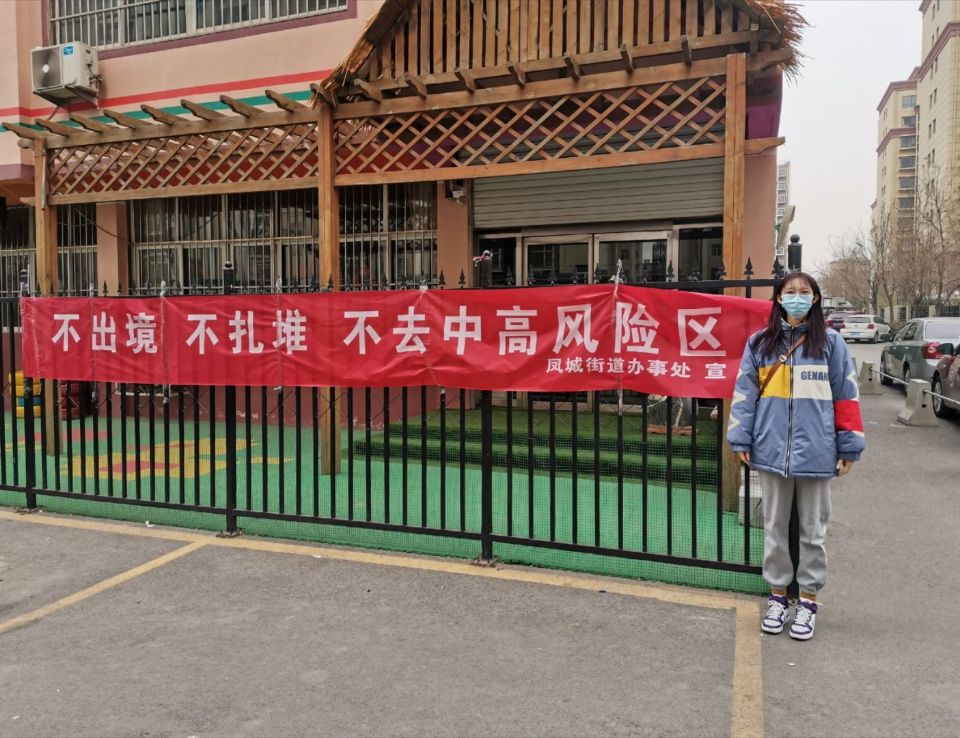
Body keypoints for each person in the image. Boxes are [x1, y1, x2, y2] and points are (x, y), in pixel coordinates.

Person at [727, 271, 865, 640]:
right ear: (778, 298)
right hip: (771, 449)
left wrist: (849, 445)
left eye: (805, 292)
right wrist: (740, 438)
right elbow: (745, 394)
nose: (797, 297)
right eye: (790, 291)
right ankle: (777, 597)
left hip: (818, 452)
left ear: (816, 298)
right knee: (774, 528)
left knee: (813, 532)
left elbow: (846, 395)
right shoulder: (760, 343)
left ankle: (808, 601)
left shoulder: (831, 343)